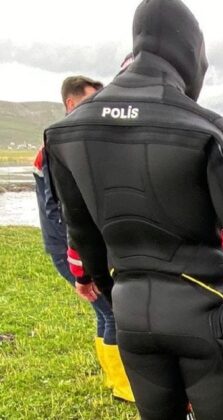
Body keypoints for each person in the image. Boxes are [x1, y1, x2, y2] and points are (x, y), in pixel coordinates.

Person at [44, 1, 223, 419]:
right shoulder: (206, 128)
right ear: (192, 53)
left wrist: (110, 287)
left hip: (132, 312)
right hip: (202, 308)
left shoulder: (68, 131)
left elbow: (80, 231)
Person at [32, 75, 134, 403]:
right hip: (69, 246)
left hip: (72, 244)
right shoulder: (57, 145)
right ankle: (123, 386)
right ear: (71, 104)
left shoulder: (62, 143)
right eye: (91, 101)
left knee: (104, 312)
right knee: (112, 312)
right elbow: (60, 206)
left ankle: (114, 378)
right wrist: (79, 259)